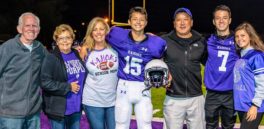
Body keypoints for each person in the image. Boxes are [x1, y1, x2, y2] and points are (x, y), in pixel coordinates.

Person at [106, 6, 167, 129]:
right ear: (129, 21)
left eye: (141, 19)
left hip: (143, 87)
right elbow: (100, 36)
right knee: (121, 124)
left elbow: (164, 57)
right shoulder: (118, 35)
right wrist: (85, 46)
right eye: (135, 19)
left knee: (145, 125)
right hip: (123, 86)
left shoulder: (155, 43)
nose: (138, 22)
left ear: (146, 23)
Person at [162, 7, 206, 129]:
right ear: (174, 23)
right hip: (173, 97)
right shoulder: (164, 41)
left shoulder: (201, 41)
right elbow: (154, 61)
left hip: (196, 97)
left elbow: (210, 64)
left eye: (185, 19)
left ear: (191, 22)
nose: (182, 23)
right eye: (178, 20)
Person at [0, 12, 47, 129]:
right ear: (19, 29)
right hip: (10, 115)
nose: (31, 29)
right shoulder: (7, 48)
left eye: (34, 26)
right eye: (27, 25)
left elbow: (54, 64)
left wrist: (76, 52)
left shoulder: (40, 49)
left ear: (39, 29)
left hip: (34, 113)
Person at [41, 24, 87, 129]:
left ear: (72, 39)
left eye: (68, 37)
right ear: (56, 41)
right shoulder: (51, 58)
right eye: (61, 38)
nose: (65, 41)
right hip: (59, 109)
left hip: (76, 107)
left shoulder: (76, 53)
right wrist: (68, 87)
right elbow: (45, 82)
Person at [204, 5, 239, 129]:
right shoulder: (207, 40)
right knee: (210, 126)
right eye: (218, 18)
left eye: (225, 18)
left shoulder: (238, 40)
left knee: (228, 126)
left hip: (231, 94)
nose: (221, 21)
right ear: (213, 21)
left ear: (230, 20)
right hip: (212, 94)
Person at [80, 17, 118, 129]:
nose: (98, 32)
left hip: (113, 100)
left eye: (101, 29)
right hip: (93, 101)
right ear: (91, 32)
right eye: (95, 29)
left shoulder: (115, 48)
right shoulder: (85, 52)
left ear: (106, 31)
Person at [233, 22, 264, 129]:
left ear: (250, 37)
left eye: (243, 35)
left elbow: (262, 83)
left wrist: (255, 105)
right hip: (241, 105)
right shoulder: (241, 55)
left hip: (252, 106)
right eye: (237, 36)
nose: (239, 39)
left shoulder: (256, 56)